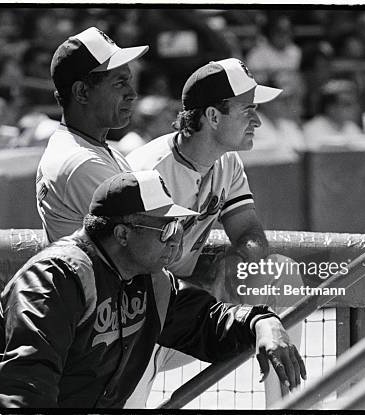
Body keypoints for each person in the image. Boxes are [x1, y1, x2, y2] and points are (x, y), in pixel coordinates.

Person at [0, 170, 305, 408]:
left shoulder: (149, 279)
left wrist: (262, 322)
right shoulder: (55, 279)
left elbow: (207, 323)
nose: (176, 240)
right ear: (122, 233)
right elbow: (25, 389)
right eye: (166, 229)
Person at [126, 58, 305, 407]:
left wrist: (240, 260)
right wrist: (203, 291)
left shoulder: (227, 161)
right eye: (247, 110)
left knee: (280, 271)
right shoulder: (149, 173)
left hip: (185, 315)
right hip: (132, 321)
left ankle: (283, 405)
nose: (257, 120)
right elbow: (133, 272)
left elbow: (249, 231)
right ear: (212, 116)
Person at [36, 26, 148, 244]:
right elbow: (143, 246)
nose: (132, 94)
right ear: (82, 92)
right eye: (119, 83)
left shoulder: (92, 149)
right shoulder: (82, 163)